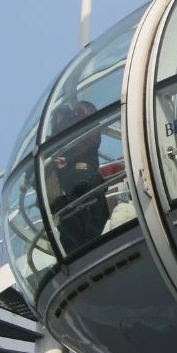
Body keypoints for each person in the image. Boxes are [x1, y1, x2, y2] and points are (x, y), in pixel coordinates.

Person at [52, 100, 109, 249]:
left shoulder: (63, 128)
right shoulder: (88, 126)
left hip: (70, 179)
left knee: (76, 214)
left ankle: (78, 246)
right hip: (83, 175)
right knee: (96, 211)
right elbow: (89, 144)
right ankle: (91, 243)